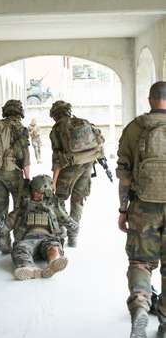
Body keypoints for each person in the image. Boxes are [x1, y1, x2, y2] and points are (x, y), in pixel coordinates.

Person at [116, 81, 166, 338]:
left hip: (143, 208)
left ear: (150, 100)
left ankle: (140, 306)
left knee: (140, 263)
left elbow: (124, 175)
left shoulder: (135, 128)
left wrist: (123, 209)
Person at [49, 100, 104, 247]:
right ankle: (73, 237)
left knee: (58, 200)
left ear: (55, 115)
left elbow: (57, 158)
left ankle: (61, 234)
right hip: (87, 166)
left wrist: (53, 181)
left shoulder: (57, 129)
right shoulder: (83, 122)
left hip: (69, 168)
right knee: (78, 200)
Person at [11, 174, 78, 280]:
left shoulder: (53, 205)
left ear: (46, 193)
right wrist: (3, 233)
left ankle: (53, 264)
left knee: (54, 248)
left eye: (39, 192)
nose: (36, 194)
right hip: (28, 238)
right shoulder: (25, 203)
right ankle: (29, 269)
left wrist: (73, 231)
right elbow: (12, 219)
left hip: (48, 238)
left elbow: (66, 220)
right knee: (20, 249)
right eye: (34, 191)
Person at [0, 100, 30, 254]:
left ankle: (3, 243)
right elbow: (25, 156)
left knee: (0, 209)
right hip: (13, 173)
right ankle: (19, 241)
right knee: (19, 207)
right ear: (20, 113)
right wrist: (27, 178)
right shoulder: (20, 128)